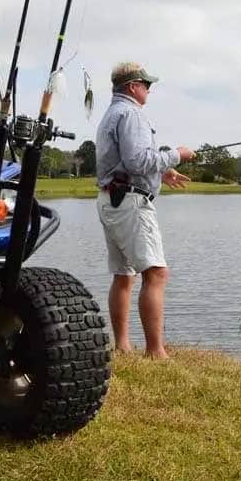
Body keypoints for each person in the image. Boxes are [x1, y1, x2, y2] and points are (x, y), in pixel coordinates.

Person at [95, 62, 195, 359]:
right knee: (157, 273)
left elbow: (124, 163)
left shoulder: (111, 114)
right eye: (146, 84)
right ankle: (156, 353)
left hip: (111, 200)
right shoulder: (131, 114)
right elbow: (138, 161)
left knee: (124, 275)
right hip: (130, 203)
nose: (149, 89)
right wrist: (177, 155)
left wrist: (162, 174)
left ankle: (123, 346)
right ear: (132, 86)